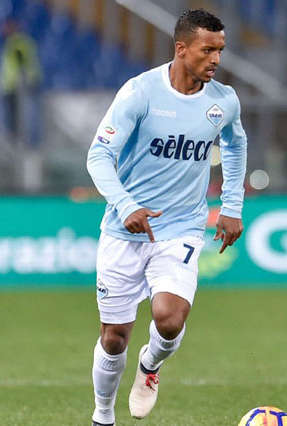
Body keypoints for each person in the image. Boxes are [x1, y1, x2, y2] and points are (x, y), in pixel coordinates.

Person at [86, 9, 247, 426]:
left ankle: (151, 365)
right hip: (124, 230)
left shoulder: (224, 101)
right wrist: (125, 205)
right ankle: (103, 415)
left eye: (220, 50)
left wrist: (231, 205)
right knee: (114, 338)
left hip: (182, 227)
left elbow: (235, 145)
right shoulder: (140, 93)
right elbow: (98, 155)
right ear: (181, 49)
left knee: (170, 319)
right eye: (207, 50)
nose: (216, 59)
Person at [0, 19, 42, 140]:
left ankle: (20, 142)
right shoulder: (18, 42)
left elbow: (22, 65)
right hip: (13, 86)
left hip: (17, 86)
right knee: (15, 117)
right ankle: (19, 140)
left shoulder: (16, 44)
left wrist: (24, 81)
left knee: (19, 118)